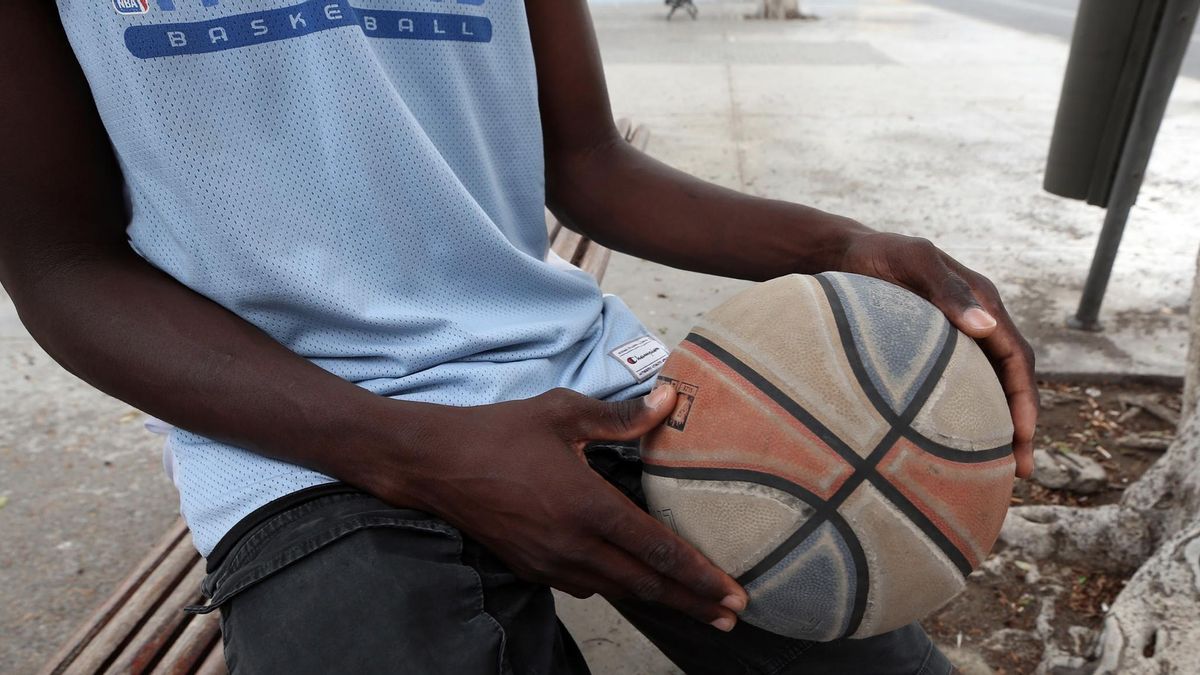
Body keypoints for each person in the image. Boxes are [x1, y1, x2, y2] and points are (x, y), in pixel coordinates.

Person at [0, 2, 1037, 673]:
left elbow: (587, 163)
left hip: (587, 386)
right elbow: (58, 263)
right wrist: (408, 450)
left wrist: (838, 246)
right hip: (302, 437)